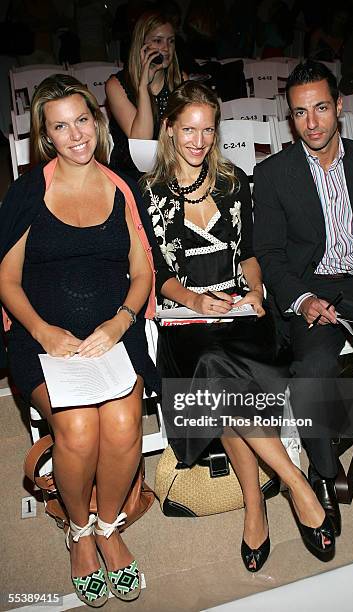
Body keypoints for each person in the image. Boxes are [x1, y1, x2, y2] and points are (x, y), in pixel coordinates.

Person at [141, 80, 335, 572]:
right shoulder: (148, 192)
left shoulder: (233, 180)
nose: (199, 140)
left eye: (208, 129)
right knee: (210, 364)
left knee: (220, 374)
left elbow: (249, 255)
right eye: (188, 129)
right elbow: (159, 276)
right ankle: (293, 483)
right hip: (188, 319)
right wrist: (194, 300)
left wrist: (253, 293)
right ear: (169, 130)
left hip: (242, 315)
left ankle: (256, 505)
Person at [0, 74, 162, 607]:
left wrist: (119, 323)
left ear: (96, 120)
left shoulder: (122, 187)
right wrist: (45, 331)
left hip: (115, 333)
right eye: (60, 126)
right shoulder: (28, 193)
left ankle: (109, 525)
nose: (76, 135)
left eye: (82, 120)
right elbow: (6, 281)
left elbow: (143, 274)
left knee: (120, 423)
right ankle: (78, 531)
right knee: (76, 428)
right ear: (45, 136)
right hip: (43, 338)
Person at [253, 60, 353, 538]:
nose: (313, 122)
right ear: (290, 117)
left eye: (321, 108)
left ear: (339, 106)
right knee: (313, 374)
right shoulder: (274, 172)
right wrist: (301, 299)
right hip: (315, 291)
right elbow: (272, 255)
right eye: (300, 113)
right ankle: (321, 477)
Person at [105, 10, 185, 176]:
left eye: (171, 41)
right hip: (132, 173)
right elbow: (141, 143)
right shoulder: (116, 85)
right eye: (157, 41)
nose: (166, 48)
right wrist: (143, 87)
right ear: (140, 45)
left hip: (172, 169)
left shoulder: (180, 80)